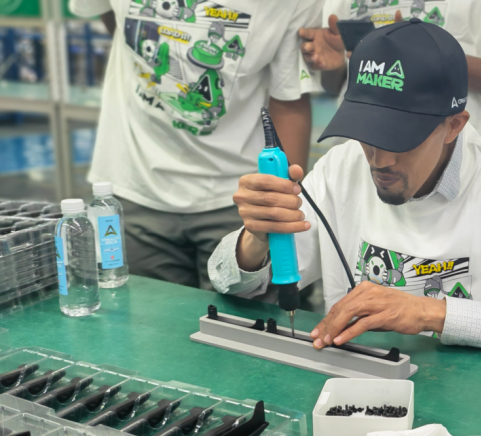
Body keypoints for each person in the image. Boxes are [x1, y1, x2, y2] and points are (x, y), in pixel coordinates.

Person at [208, 19, 481, 365]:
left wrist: (434, 313)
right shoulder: (341, 168)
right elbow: (230, 281)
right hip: (358, 391)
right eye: (367, 133)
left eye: (401, 138)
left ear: (453, 125)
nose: (379, 160)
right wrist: (255, 240)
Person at [68, 0, 322, 289]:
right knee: (140, 313)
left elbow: (289, 98)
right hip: (133, 183)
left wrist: (279, 206)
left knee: (249, 312)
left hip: (239, 198)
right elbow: (114, 20)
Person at [297, 0, 481, 137]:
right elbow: (337, 85)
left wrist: (424, 53)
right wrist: (334, 65)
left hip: (455, 152)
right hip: (358, 147)